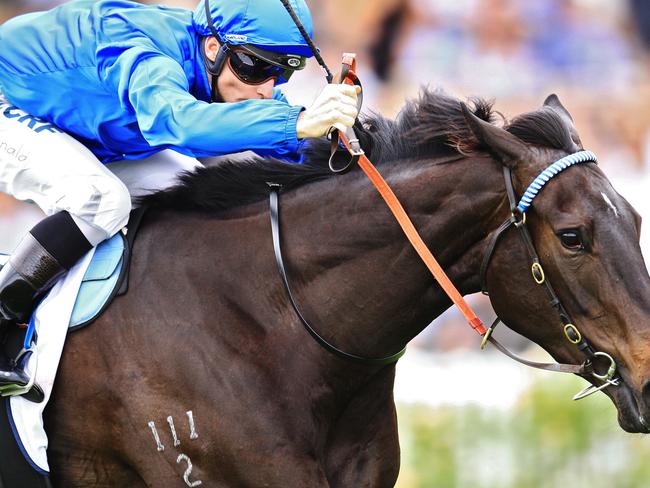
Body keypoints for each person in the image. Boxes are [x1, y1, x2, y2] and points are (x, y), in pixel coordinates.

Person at [0, 0, 360, 389]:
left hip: (71, 123)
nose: (267, 88)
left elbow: (285, 133)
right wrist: (302, 121)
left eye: (279, 72)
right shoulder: (146, 50)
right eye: (256, 67)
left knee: (185, 189)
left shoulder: (226, 66)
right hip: (9, 100)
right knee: (101, 199)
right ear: (212, 48)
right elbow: (178, 123)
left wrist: (344, 141)